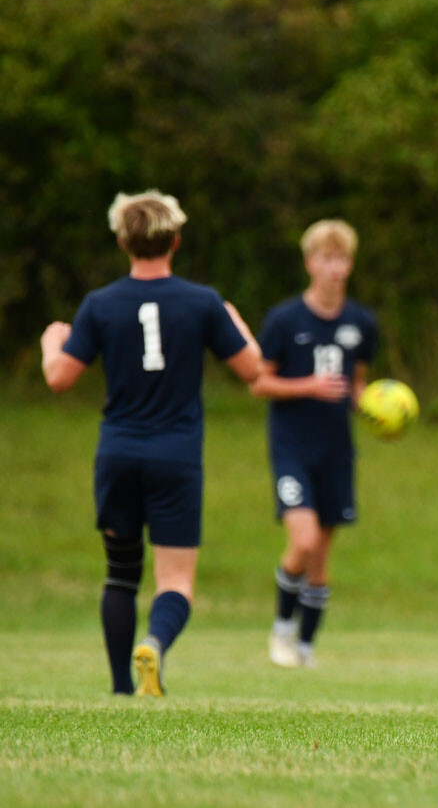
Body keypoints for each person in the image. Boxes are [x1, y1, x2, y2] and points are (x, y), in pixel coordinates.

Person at [40, 190, 261, 696]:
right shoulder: (202, 302)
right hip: (175, 455)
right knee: (175, 581)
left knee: (120, 574)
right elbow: (252, 369)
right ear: (175, 241)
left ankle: (121, 688)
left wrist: (52, 341)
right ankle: (155, 643)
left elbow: (59, 378)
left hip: (118, 453)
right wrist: (238, 324)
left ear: (123, 243)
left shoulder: (100, 304)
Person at [251, 220, 379, 668]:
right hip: (292, 449)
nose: (335, 268)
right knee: (303, 542)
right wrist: (308, 385)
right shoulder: (284, 320)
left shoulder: (361, 322)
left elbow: (357, 386)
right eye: (326, 258)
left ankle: (305, 649)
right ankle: (281, 630)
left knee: (321, 558)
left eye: (341, 259)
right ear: (310, 263)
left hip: (336, 450)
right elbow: (259, 383)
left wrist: (379, 410)